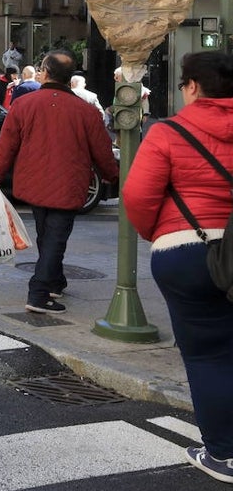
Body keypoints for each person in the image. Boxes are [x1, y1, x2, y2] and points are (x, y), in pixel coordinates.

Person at [123, 51, 233, 483]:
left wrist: (160, 233)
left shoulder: (169, 132)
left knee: (208, 355)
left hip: (188, 252)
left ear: (191, 86)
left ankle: (223, 454)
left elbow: (137, 197)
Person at [0, 50, 119, 314]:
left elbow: (6, 146)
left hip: (34, 182)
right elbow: (102, 151)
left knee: (47, 236)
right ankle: (39, 293)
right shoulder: (86, 112)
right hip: (69, 185)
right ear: (71, 79)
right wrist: (112, 175)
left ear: (44, 73)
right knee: (55, 238)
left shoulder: (24, 105)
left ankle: (54, 281)